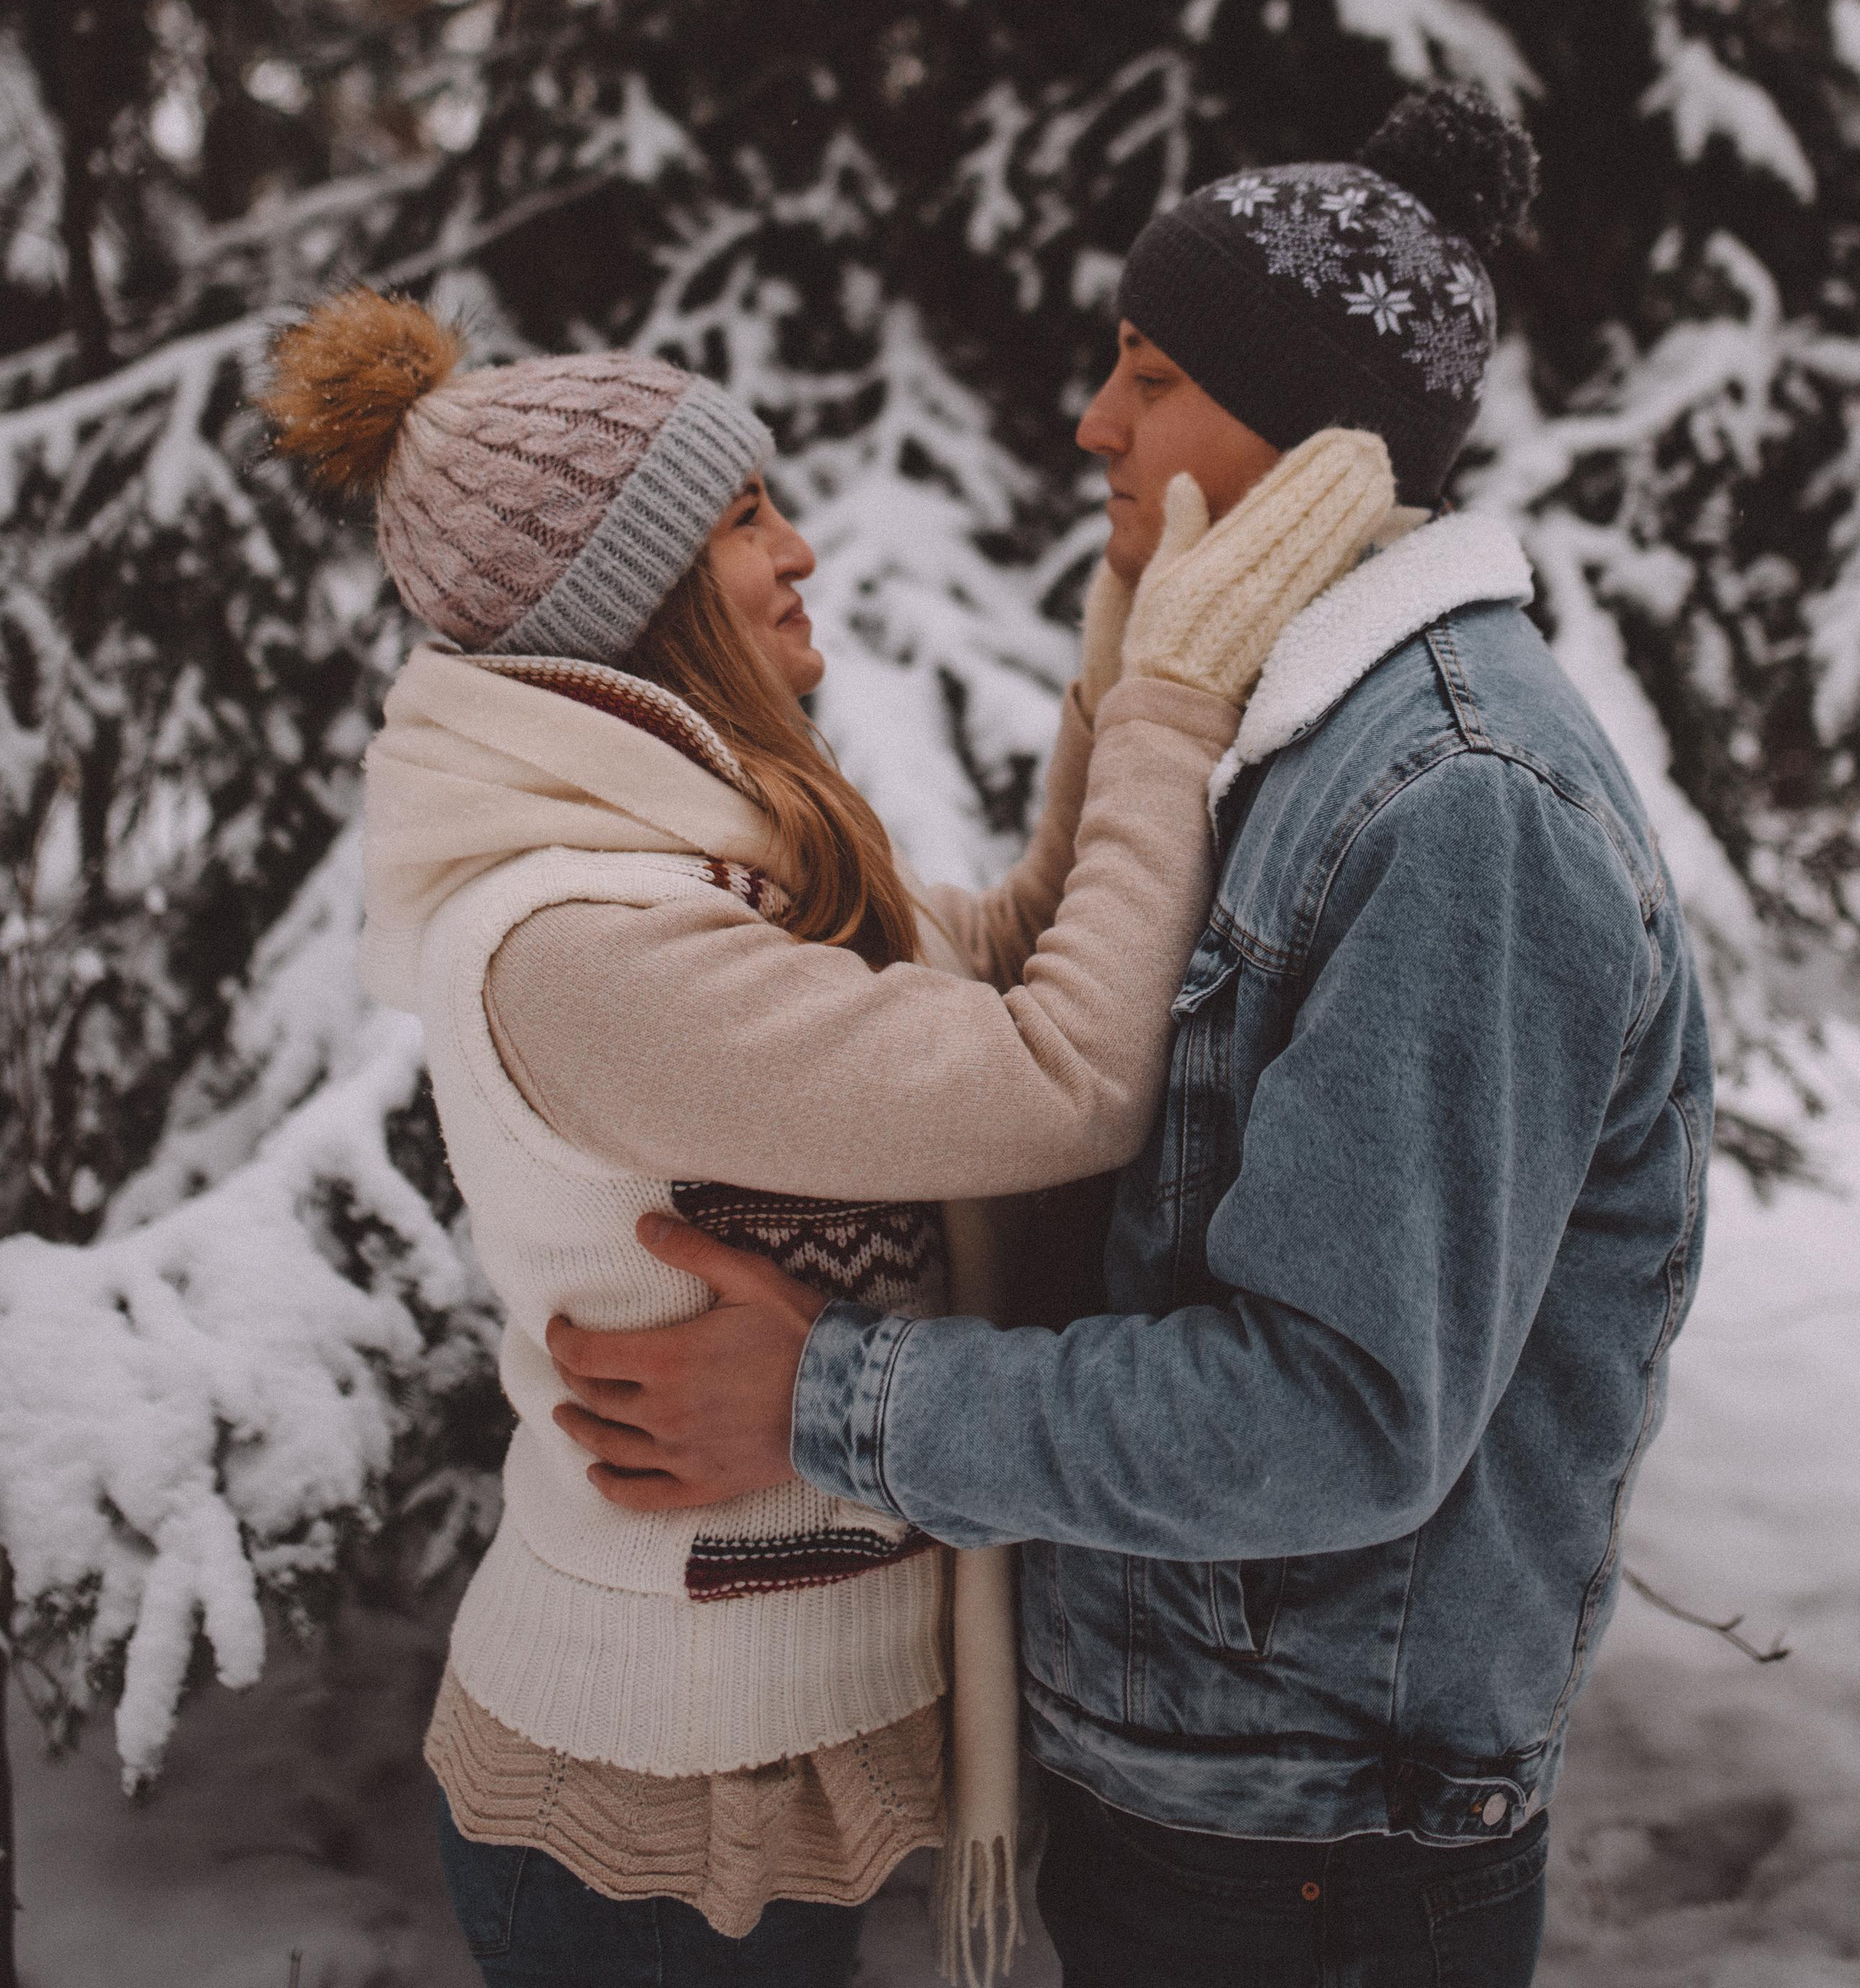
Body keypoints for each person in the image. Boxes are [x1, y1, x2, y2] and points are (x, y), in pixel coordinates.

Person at [548, 86, 1715, 1988]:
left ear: (1310, 430)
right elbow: (1054, 1030)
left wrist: (829, 1400)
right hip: (1195, 1786)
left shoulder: (1457, 805)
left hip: (1312, 1842)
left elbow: (1335, 1414)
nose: (1093, 421)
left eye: (1151, 375)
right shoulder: (1285, 732)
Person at [259, 285, 1401, 1988]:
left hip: (769, 1746)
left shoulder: (703, 858)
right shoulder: (579, 943)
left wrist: (1121, 651)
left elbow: (1002, 956)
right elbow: (1055, 1074)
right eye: (743, 518)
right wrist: (1172, 703)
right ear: (634, 596)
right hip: (653, 1802)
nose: (798, 550)